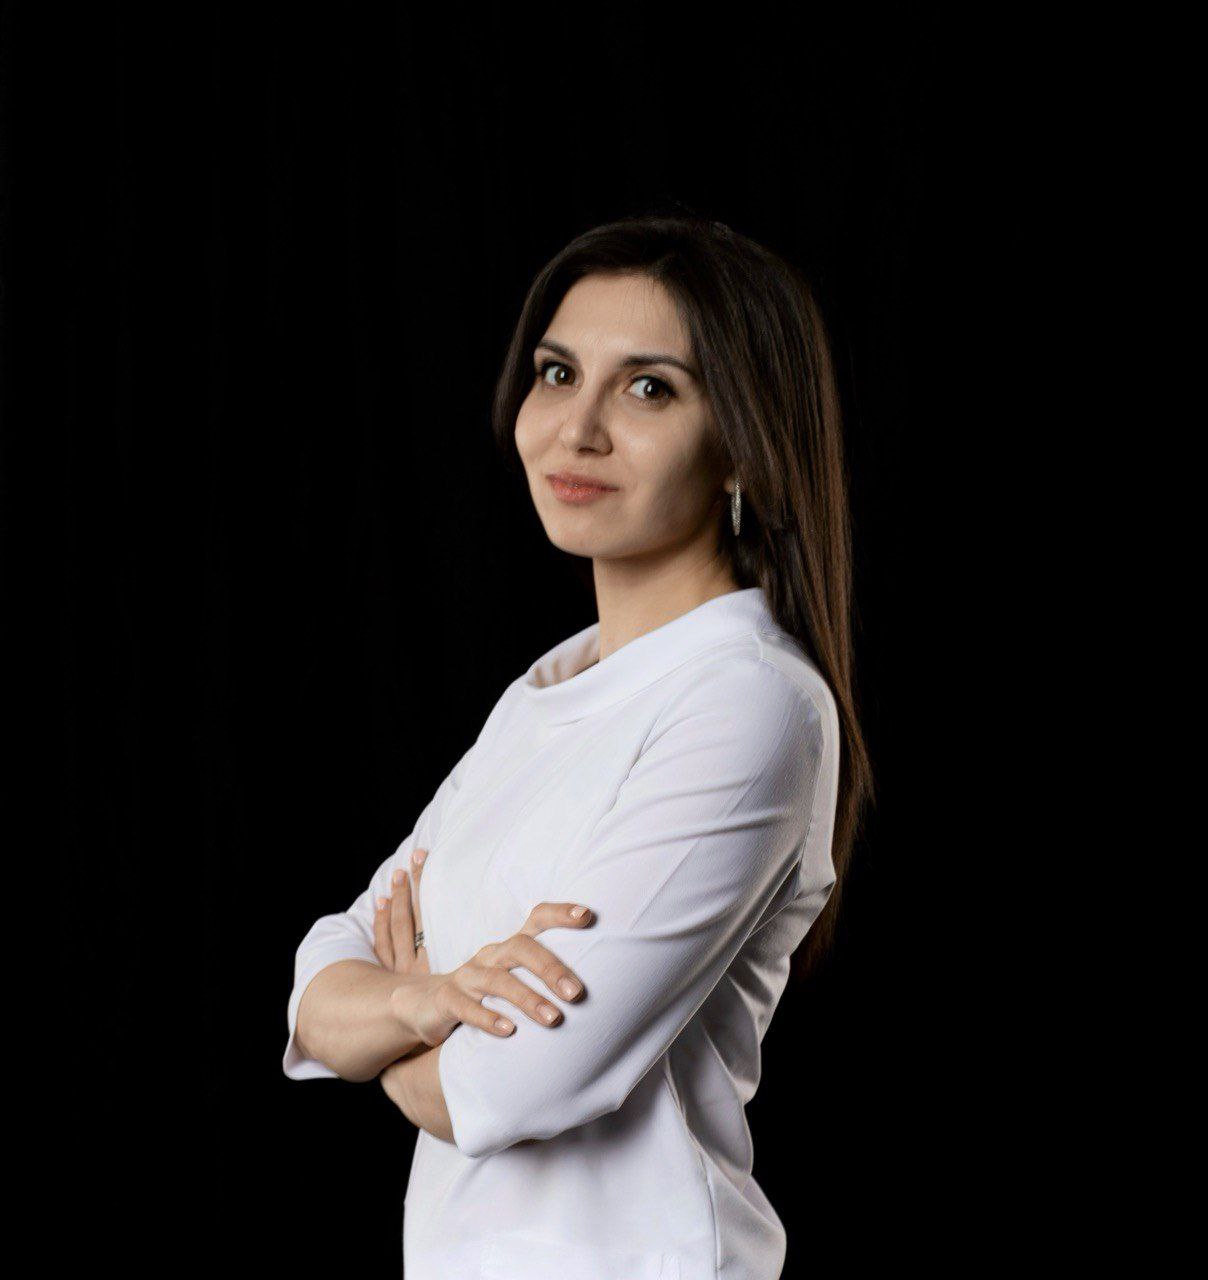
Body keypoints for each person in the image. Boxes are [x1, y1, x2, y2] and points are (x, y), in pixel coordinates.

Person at [282, 213, 874, 1279]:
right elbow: (321, 978)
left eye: (648, 387)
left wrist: (397, 1039)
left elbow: (512, 1085)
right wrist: (423, 999)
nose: (576, 429)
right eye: (557, 374)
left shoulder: (751, 702)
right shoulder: (549, 689)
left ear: (742, 441)